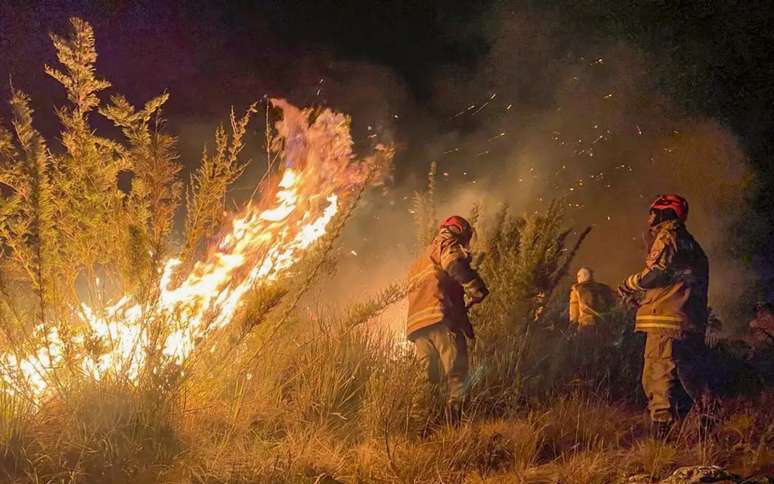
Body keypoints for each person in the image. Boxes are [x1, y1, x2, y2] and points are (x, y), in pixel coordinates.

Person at [618, 194, 712, 437]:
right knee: (689, 375)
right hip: (689, 321)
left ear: (665, 213)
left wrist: (631, 284)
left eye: (653, 211)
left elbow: (658, 272)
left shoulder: (668, 235)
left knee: (656, 375)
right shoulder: (692, 244)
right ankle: (708, 422)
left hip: (665, 321)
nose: (649, 217)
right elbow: (677, 280)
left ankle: (662, 436)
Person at [406, 215, 489, 424]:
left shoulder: (421, 259)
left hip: (417, 325)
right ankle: (455, 427)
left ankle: (420, 427)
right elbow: (456, 268)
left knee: (427, 378)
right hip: (440, 318)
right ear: (460, 232)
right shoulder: (447, 245)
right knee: (456, 373)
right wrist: (476, 289)